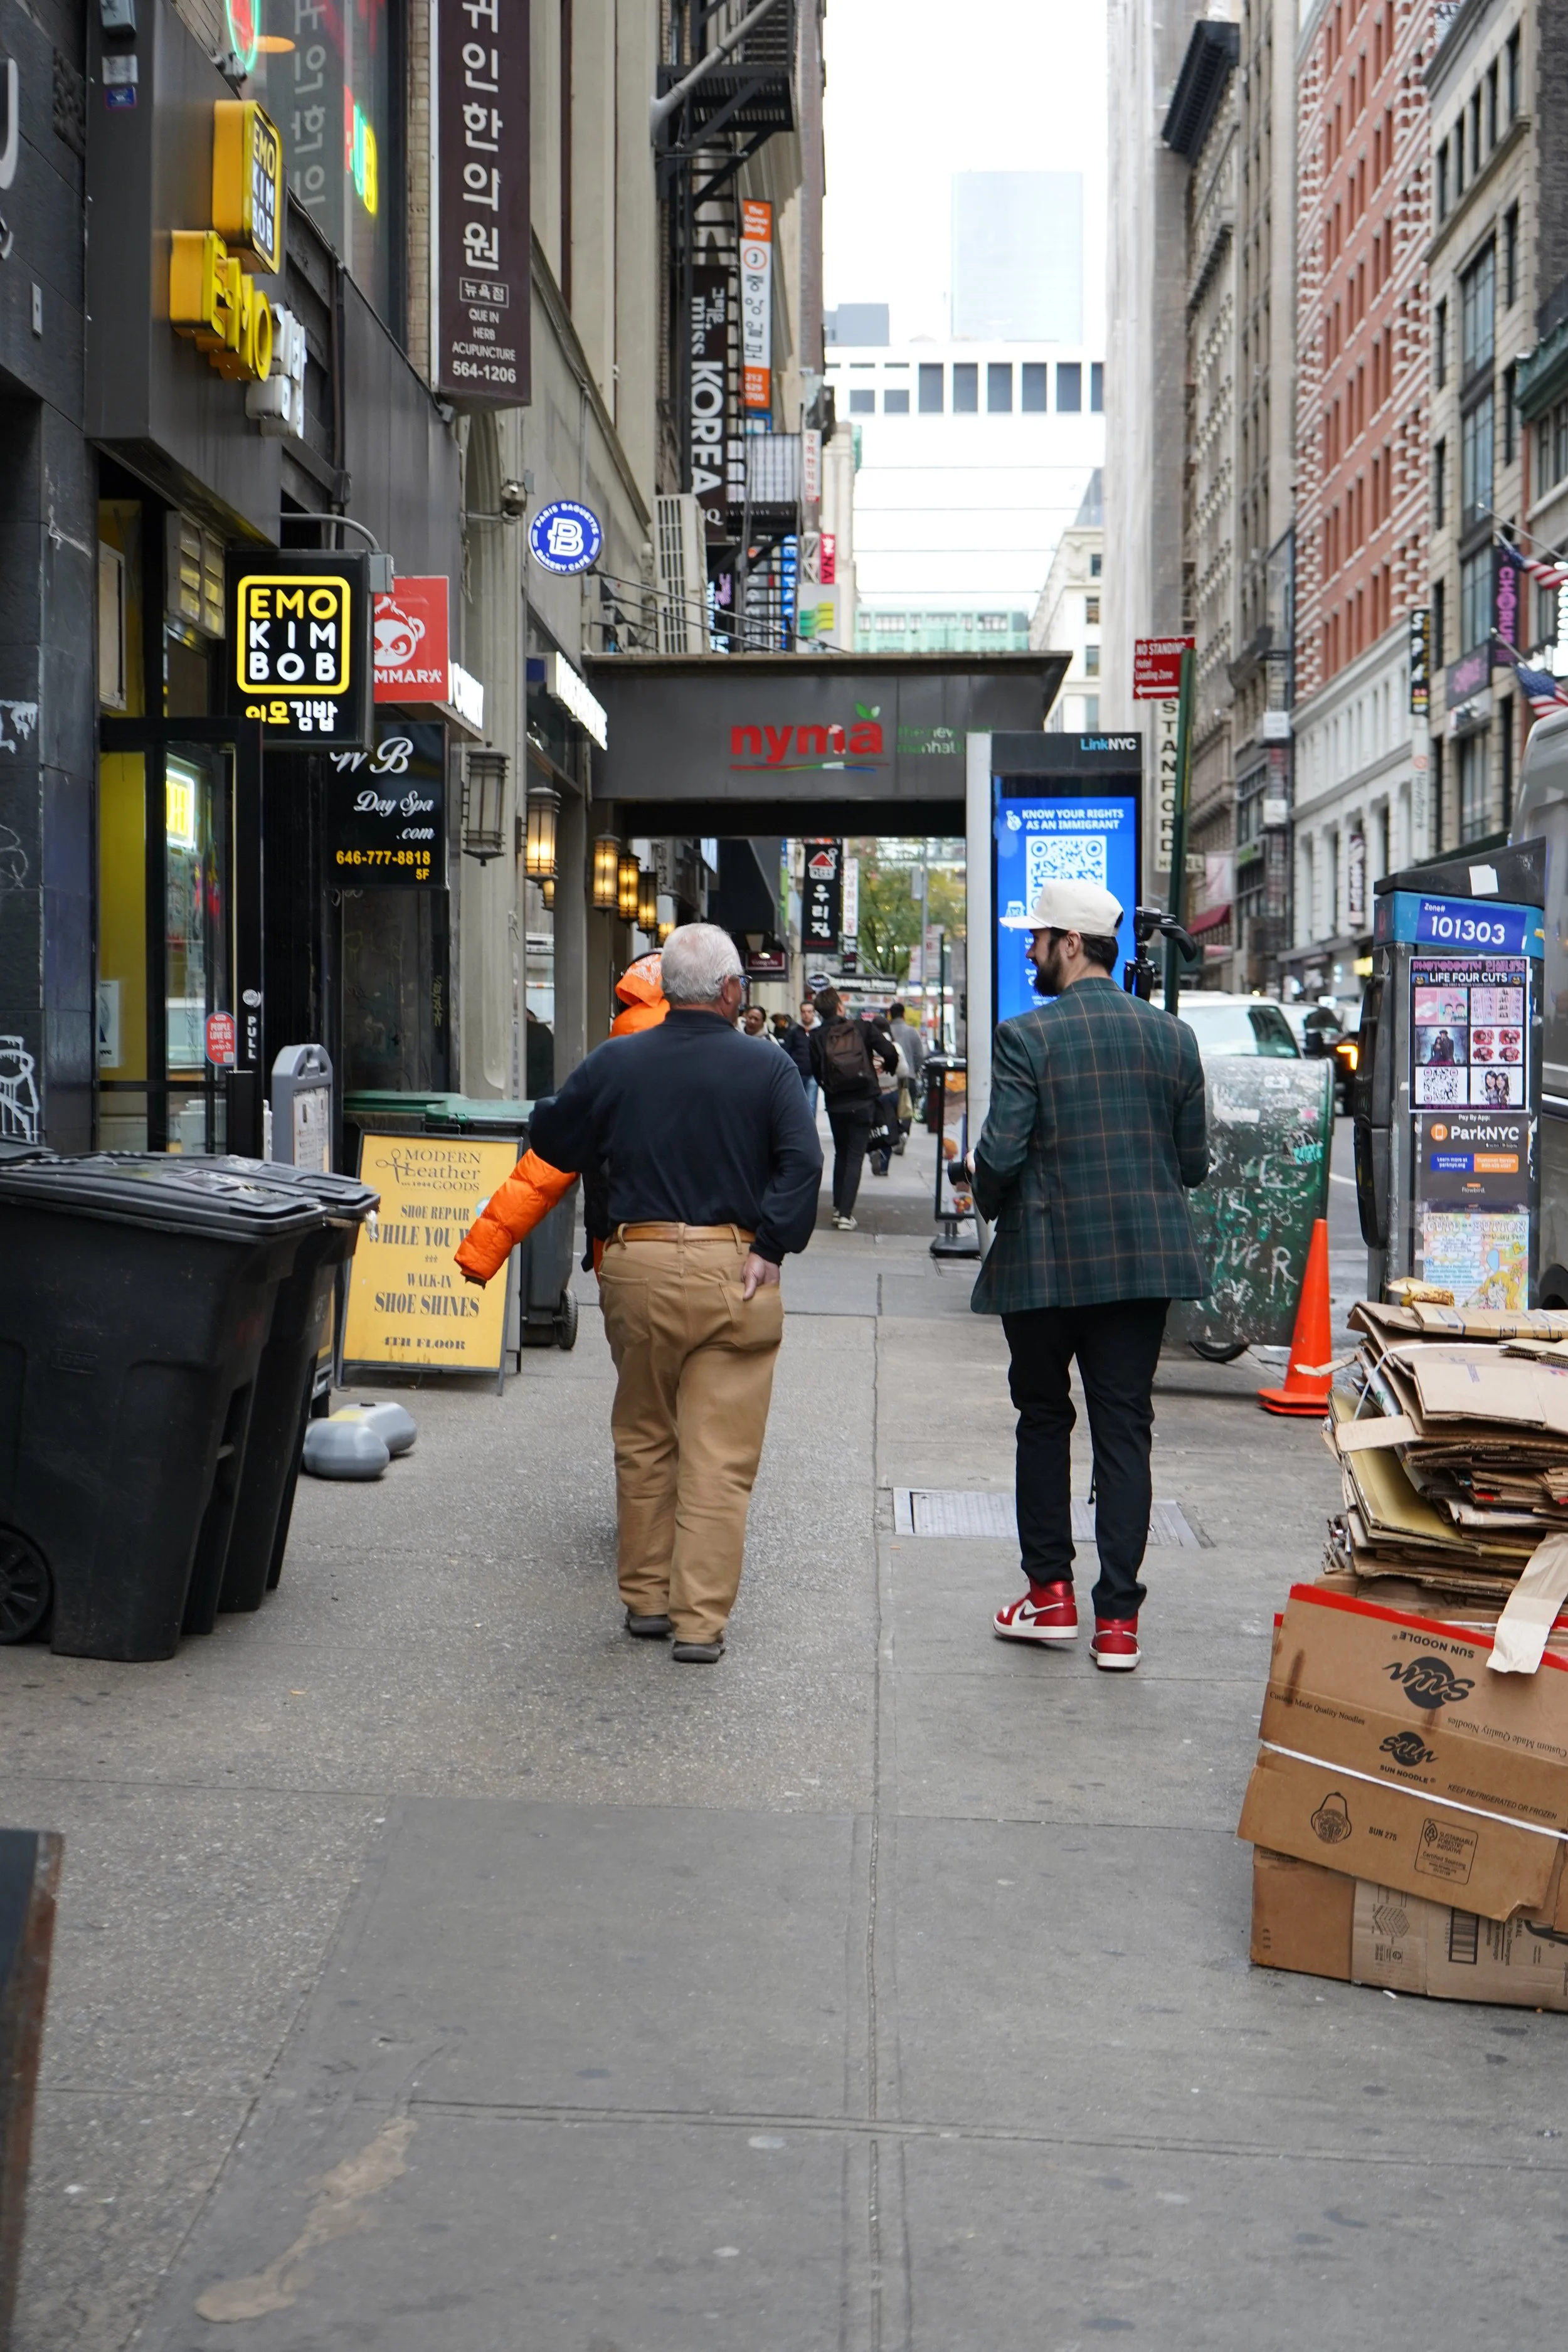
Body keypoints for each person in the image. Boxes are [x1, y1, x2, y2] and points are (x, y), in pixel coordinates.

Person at [526, 923, 822, 1662]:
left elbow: (552, 1140)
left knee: (645, 1436)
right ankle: (699, 1624)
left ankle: (646, 1600)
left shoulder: (615, 1062)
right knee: (719, 1456)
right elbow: (801, 1163)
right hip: (734, 1269)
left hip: (640, 1263)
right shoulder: (769, 1069)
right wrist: (772, 1246)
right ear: (729, 992)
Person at [969, 879, 1208, 1674]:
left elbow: (999, 1156)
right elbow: (1194, 1165)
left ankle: (1050, 1597)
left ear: (1072, 944)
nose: (1031, 952)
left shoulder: (1026, 1037)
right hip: (1140, 1265)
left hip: (1043, 1260)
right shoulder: (1174, 1040)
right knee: (1124, 1430)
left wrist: (995, 1200)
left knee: (1043, 1419)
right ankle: (1117, 1625)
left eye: (1038, 939)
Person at [457, 955, 670, 1281]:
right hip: (717, 1251)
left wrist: (483, 1251)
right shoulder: (727, 1064)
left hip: (621, 1249)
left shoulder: (603, 1073)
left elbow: (542, 1171)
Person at [810, 989, 897, 1230]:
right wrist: (888, 1068)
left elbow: (817, 1071)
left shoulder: (817, 1036)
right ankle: (845, 1214)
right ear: (840, 1008)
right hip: (863, 1101)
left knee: (841, 1153)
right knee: (855, 1156)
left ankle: (840, 1207)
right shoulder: (862, 1028)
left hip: (836, 1103)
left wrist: (830, 1088)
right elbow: (889, 1051)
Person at [887, 1000, 927, 1152]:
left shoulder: (887, 1031)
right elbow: (919, 1056)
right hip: (908, 1077)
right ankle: (903, 1133)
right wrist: (914, 1071)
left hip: (889, 1078)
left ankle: (893, 1136)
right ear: (903, 1014)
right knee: (907, 1108)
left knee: (891, 1108)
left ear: (890, 1014)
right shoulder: (912, 1032)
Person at [866, 1008, 901, 1178]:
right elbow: (905, 1070)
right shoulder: (894, 1047)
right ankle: (885, 1165)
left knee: (871, 1128)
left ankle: (872, 1151)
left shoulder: (865, 1046)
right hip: (891, 1092)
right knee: (888, 1129)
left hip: (871, 1093)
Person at [781, 997, 820, 1117]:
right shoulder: (795, 1032)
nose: (806, 1015)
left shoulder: (820, 1031)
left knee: (811, 1104)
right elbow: (787, 1050)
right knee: (797, 1104)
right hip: (797, 1072)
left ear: (814, 1013)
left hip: (814, 1073)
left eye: (809, 1012)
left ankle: (810, 1133)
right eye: (804, 1012)